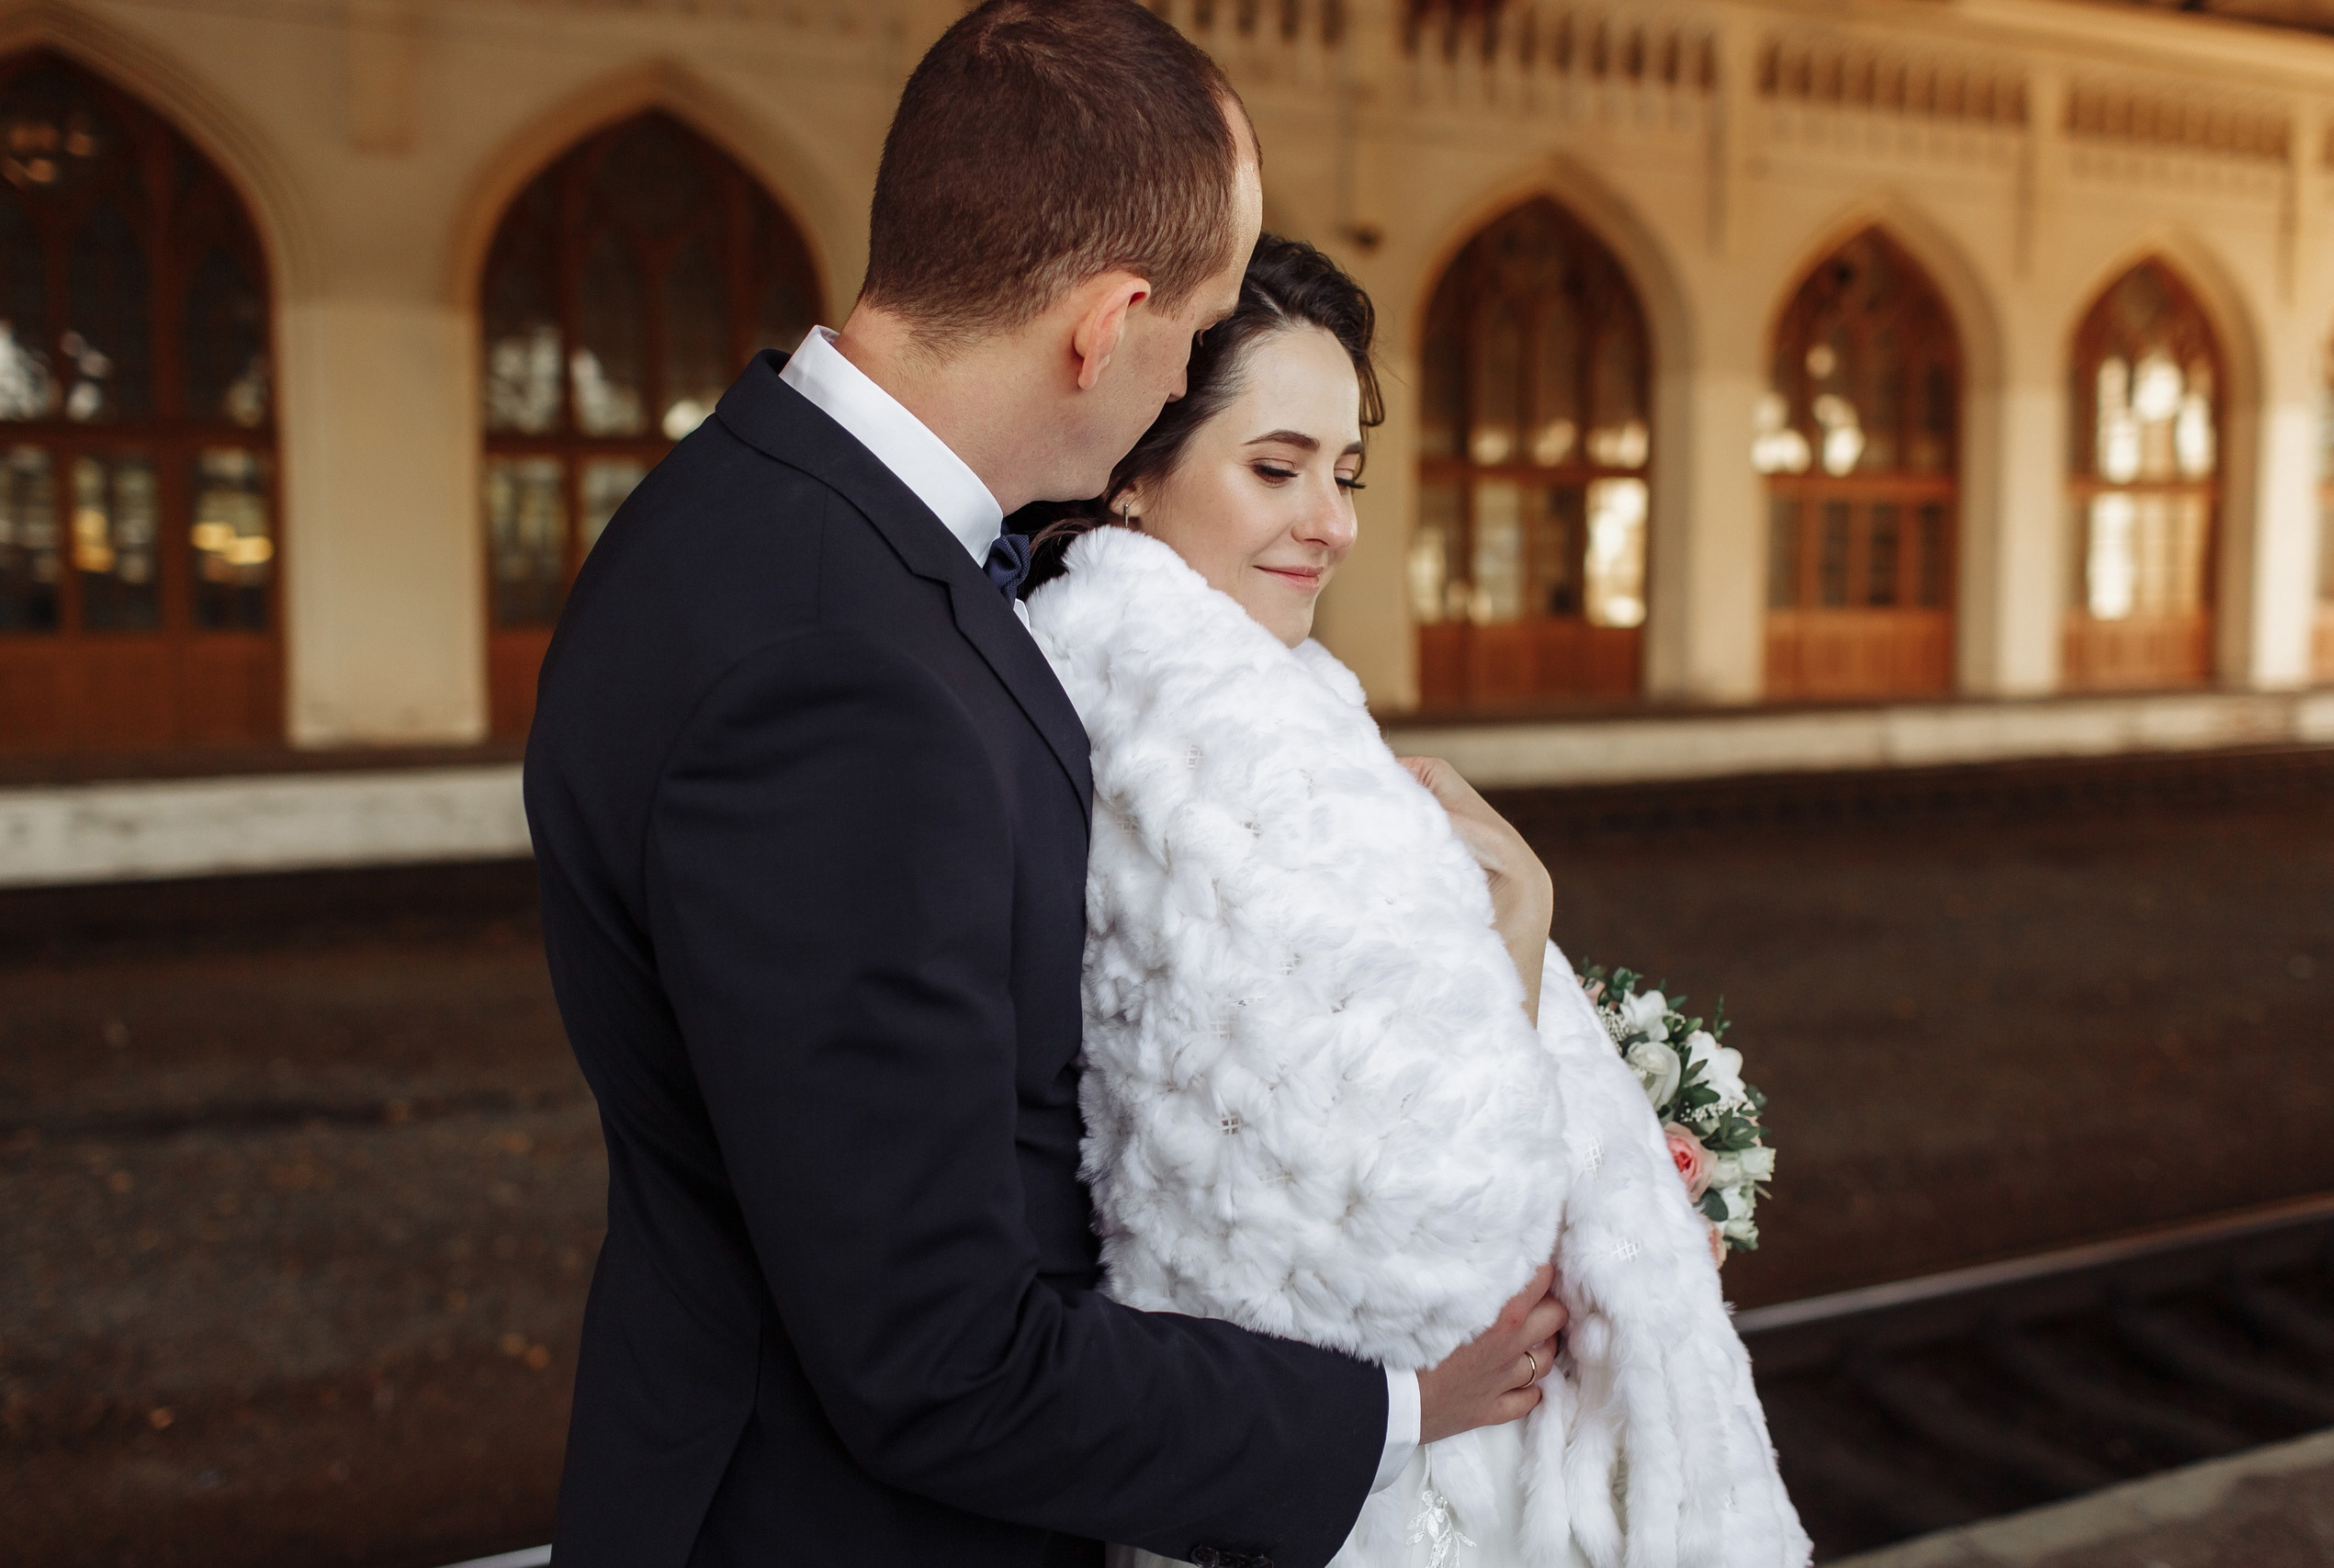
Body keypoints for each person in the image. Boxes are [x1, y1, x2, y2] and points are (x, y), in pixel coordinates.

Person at [524, 4, 1562, 1564]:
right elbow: (938, 1358)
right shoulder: (844, 676)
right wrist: (1397, 1409)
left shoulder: (748, 506)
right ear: (1107, 322)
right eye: (1193, 331)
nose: (1182, 376)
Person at [1020, 236, 1810, 1568]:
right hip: (1382, 1491)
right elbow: (1417, 1225)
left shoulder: (1237, 698)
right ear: (1134, 474)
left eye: (1343, 473)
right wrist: (1519, 938)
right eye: (1275, 469)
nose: (1332, 521)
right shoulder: (1196, 741)